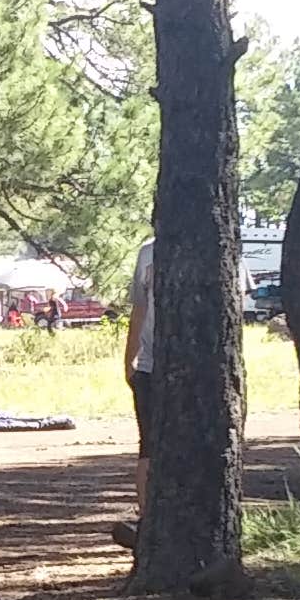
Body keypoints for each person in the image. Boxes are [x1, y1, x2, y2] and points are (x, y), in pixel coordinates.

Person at [123, 229, 156, 539]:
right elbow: (139, 309)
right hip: (149, 366)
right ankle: (147, 521)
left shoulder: (215, 245)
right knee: (148, 445)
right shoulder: (148, 251)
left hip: (193, 370)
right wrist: (129, 360)